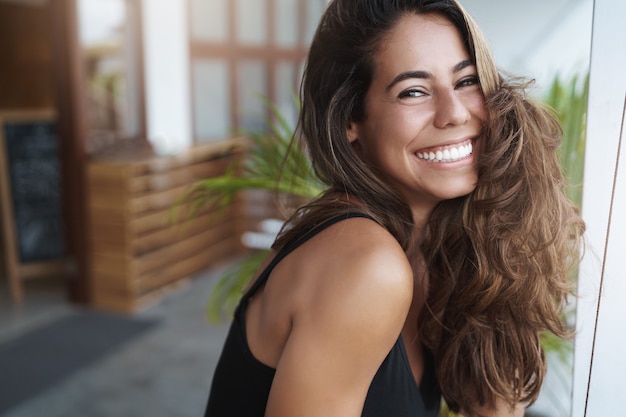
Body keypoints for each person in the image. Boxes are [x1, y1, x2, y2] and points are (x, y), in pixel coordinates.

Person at [205, 0, 585, 416]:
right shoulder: (364, 263)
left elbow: (497, 406)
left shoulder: (437, 245)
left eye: (466, 81)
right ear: (350, 118)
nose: (455, 113)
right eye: (414, 91)